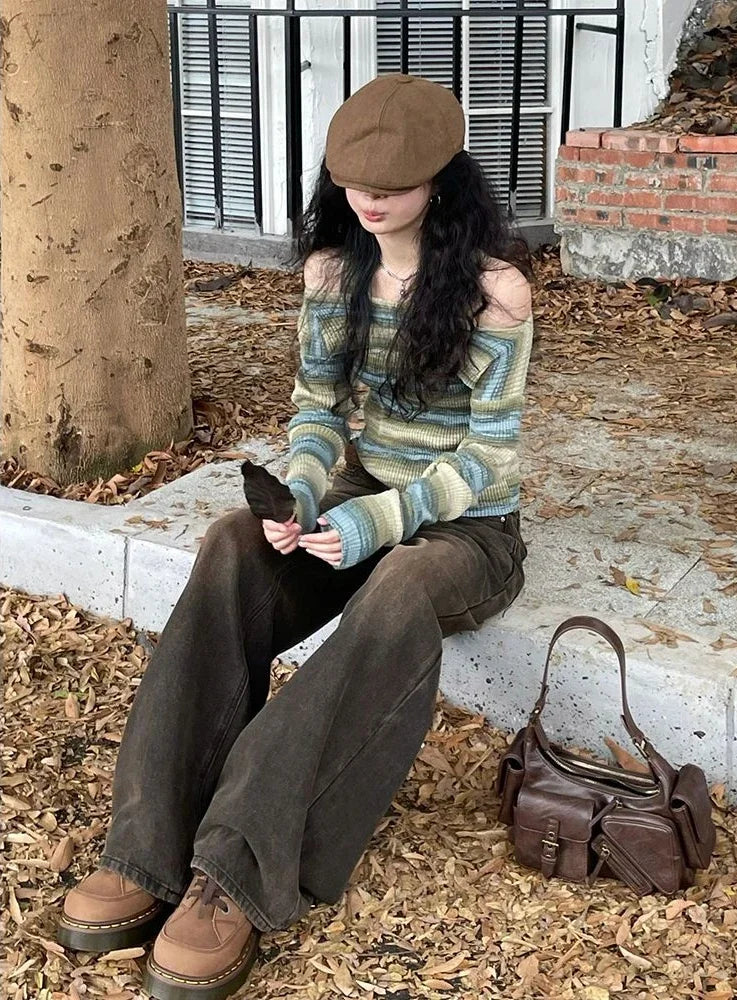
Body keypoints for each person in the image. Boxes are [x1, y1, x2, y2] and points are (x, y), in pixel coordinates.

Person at [56, 73, 534, 1000]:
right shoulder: (330, 274)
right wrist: (307, 494)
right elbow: (316, 415)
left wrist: (372, 525)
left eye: (396, 175)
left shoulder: (496, 292)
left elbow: (490, 463)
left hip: (466, 534)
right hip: (354, 505)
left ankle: (236, 868)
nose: (373, 193)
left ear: (444, 176)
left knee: (397, 589)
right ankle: (146, 847)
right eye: (357, 174)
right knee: (234, 539)